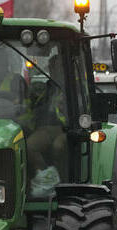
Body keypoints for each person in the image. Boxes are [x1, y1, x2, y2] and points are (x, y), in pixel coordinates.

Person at [22, 55, 68, 198]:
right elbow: (36, 109)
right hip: (45, 128)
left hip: (66, 129)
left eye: (58, 67)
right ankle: (46, 177)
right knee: (28, 146)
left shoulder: (74, 87)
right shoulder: (49, 87)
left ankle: (62, 182)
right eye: (52, 67)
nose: (54, 70)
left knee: (58, 146)